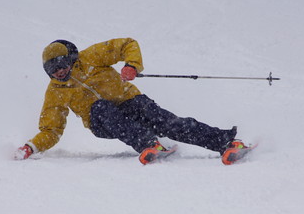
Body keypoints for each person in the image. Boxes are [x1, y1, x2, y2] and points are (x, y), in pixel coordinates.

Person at [14, 38, 250, 165]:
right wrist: (32, 146)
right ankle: (149, 143)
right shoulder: (55, 91)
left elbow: (127, 44)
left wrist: (131, 65)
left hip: (128, 100)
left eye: (61, 65)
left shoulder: (91, 56)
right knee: (101, 107)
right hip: (101, 121)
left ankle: (226, 142)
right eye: (51, 69)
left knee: (166, 122)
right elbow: (51, 128)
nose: (58, 72)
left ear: (71, 58)